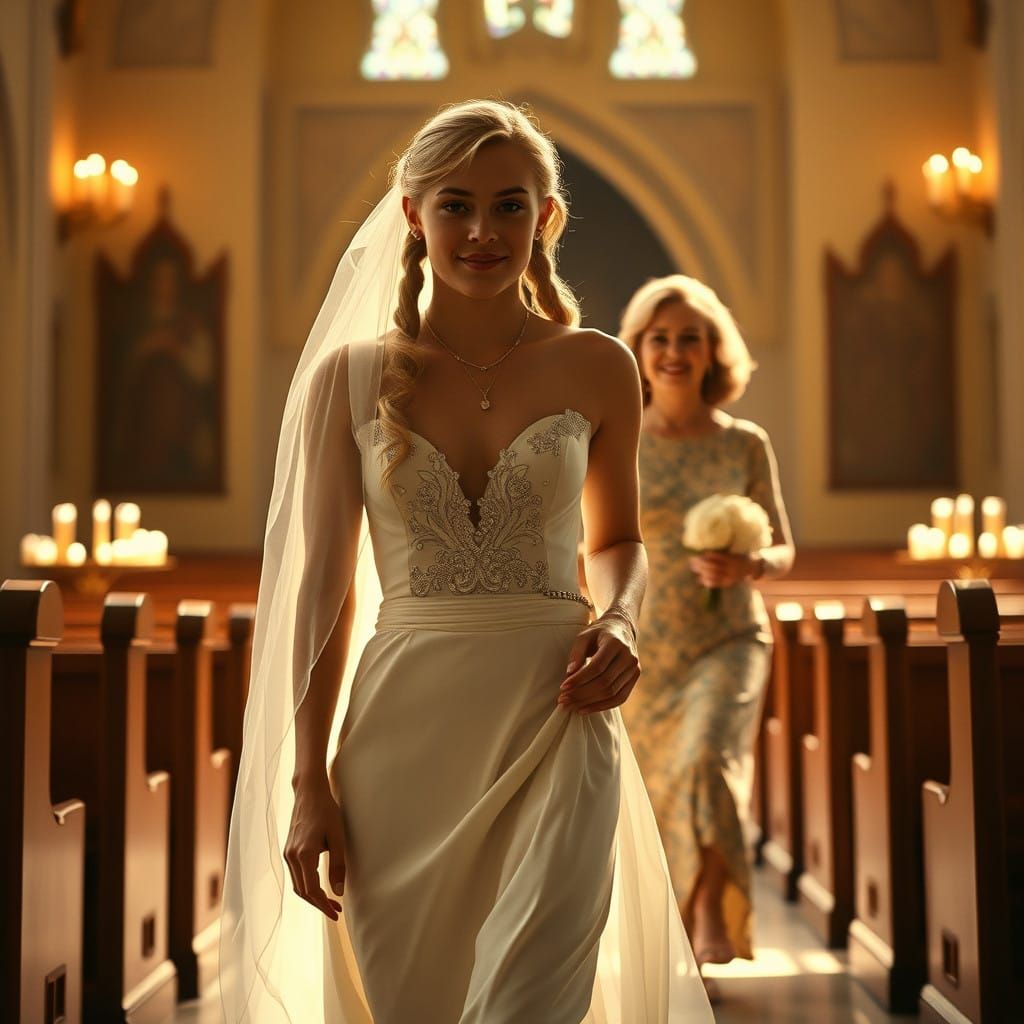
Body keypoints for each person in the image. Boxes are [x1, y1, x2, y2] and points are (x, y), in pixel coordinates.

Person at [219, 102, 712, 1022]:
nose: (483, 231)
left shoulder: (600, 365)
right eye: (455, 206)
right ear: (414, 214)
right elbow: (323, 592)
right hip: (401, 738)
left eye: (510, 206)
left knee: (534, 994)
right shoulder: (353, 376)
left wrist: (619, 617)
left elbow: (615, 542)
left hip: (558, 712)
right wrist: (308, 783)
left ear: (547, 218)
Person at [619, 274, 794, 1000]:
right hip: (645, 645)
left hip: (729, 639)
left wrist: (751, 562)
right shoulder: (617, 436)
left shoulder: (745, 442)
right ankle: (674, 937)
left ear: (712, 351)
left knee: (705, 762)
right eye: (659, 339)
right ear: (638, 349)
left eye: (690, 338)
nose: (673, 352)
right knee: (659, 792)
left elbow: (784, 548)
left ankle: (705, 917)